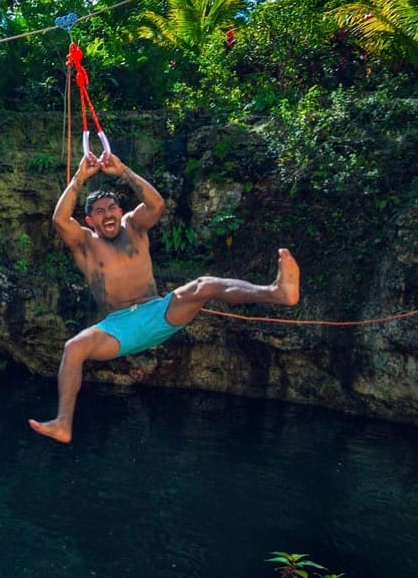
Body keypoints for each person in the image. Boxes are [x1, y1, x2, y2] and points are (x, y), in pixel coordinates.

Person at [28, 152, 300, 443]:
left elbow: (156, 204)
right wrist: (80, 177)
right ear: (89, 219)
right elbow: (59, 220)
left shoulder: (133, 226)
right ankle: (63, 423)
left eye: (111, 208)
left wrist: (124, 171)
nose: (107, 214)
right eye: (99, 211)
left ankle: (276, 292)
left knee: (203, 285)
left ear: (120, 211)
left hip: (158, 314)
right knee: (73, 348)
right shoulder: (84, 243)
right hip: (118, 329)